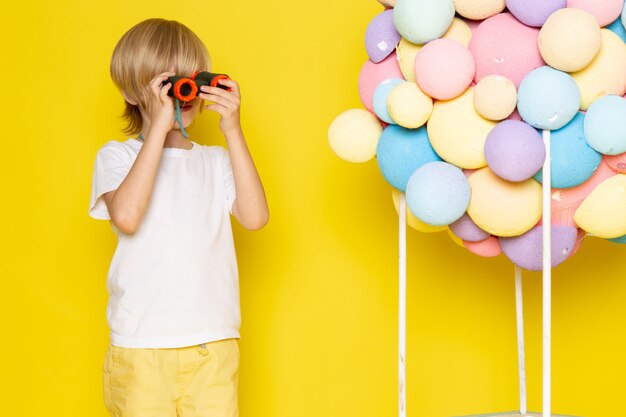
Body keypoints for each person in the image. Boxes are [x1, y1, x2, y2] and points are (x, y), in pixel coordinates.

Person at [88, 18, 269, 417]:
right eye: (165, 84)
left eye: (190, 81)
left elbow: (255, 217)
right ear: (132, 93)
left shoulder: (215, 160)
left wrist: (233, 130)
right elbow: (128, 217)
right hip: (141, 347)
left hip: (213, 344)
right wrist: (157, 126)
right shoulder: (117, 157)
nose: (179, 93)